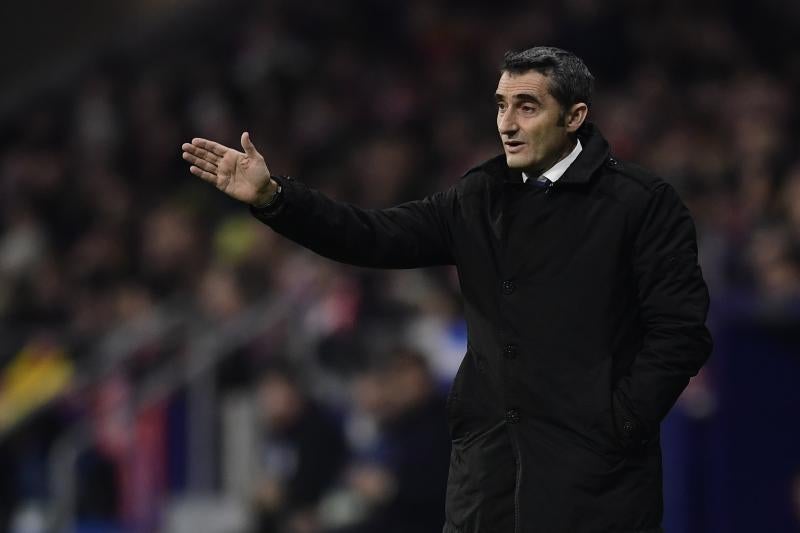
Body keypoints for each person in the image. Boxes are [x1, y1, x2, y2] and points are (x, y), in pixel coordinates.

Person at [181, 46, 712, 533]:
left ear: (574, 117)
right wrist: (275, 198)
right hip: (487, 481)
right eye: (501, 106)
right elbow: (372, 236)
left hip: (594, 483)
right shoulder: (479, 195)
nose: (507, 123)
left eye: (527, 107)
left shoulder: (641, 203)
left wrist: (619, 424)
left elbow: (681, 332)